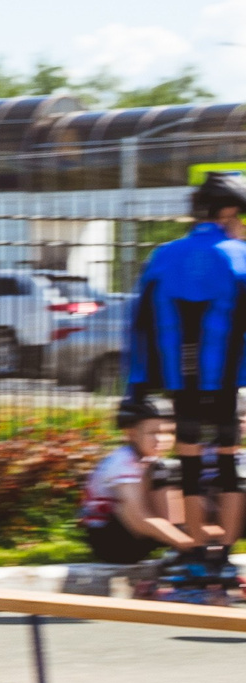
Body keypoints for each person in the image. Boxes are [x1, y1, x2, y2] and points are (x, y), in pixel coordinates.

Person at [127, 174, 246, 601]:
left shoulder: (163, 255)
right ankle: (223, 556)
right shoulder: (240, 255)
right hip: (229, 379)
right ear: (229, 212)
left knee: (190, 465)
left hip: (182, 381)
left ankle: (196, 553)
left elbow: (138, 322)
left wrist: (137, 383)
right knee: (230, 464)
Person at [79, 390, 189, 574]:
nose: (161, 440)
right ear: (132, 434)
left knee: (178, 474)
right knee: (164, 471)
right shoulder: (122, 461)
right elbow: (138, 518)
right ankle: (181, 552)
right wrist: (187, 544)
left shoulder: (148, 460)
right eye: (153, 433)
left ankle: (184, 552)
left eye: (168, 432)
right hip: (111, 541)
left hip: (135, 535)